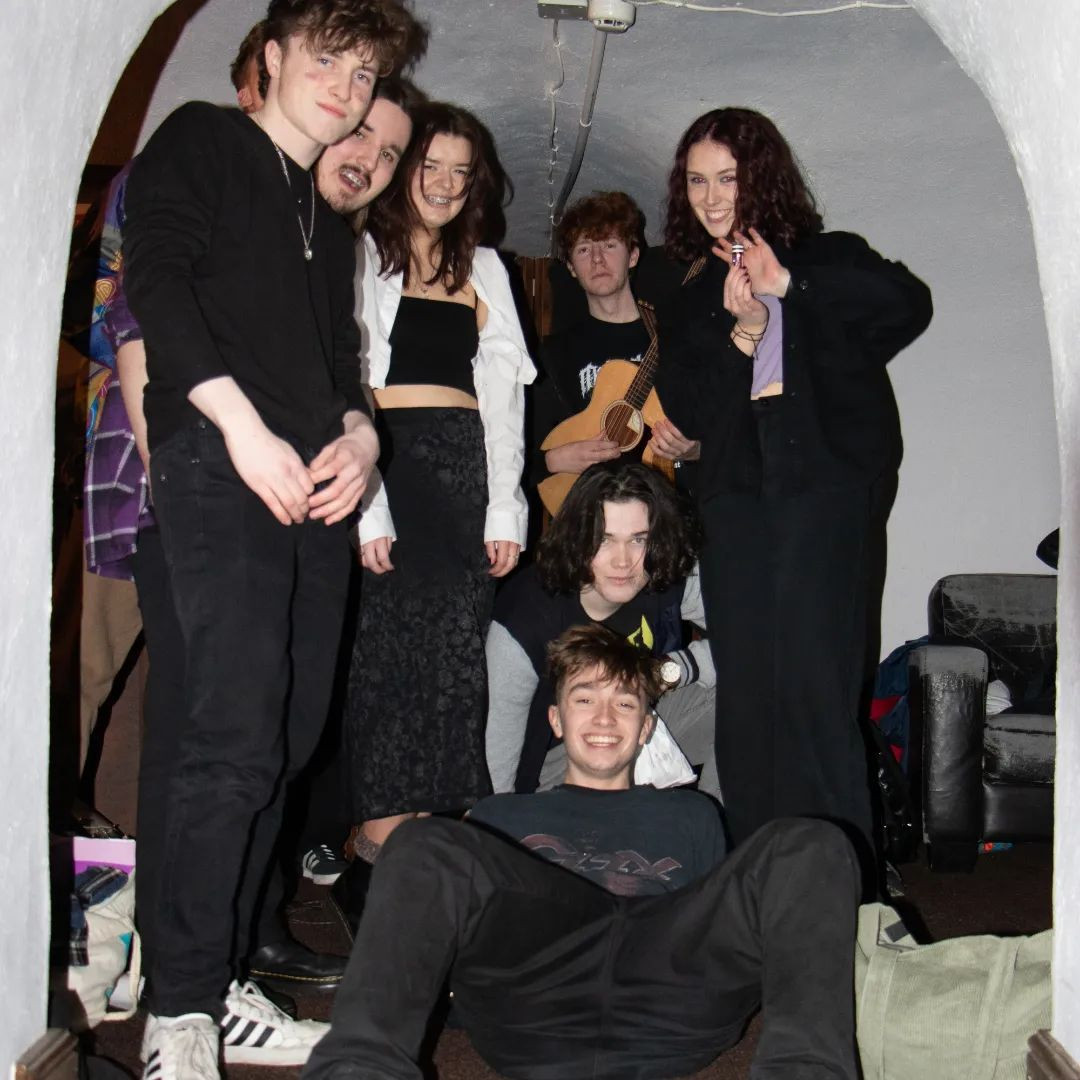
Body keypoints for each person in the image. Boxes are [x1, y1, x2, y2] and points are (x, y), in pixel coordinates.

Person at [122, 2, 423, 1076]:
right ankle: (179, 1009)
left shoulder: (327, 221)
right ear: (275, 56)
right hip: (222, 464)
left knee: (288, 744)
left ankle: (220, 980)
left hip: (313, 491)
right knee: (231, 738)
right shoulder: (203, 139)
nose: (347, 87)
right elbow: (155, 282)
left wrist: (362, 439)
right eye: (329, 60)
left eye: (366, 72)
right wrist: (241, 429)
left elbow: (340, 367)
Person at [303, 624, 860, 1080]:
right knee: (422, 840)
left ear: (646, 728)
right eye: (585, 698)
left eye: (624, 703)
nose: (604, 718)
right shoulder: (502, 816)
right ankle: (359, 1069)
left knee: (810, 843)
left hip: (667, 1001)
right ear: (556, 719)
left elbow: (712, 933)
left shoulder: (691, 814)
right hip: (534, 998)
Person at [654, 107, 932, 878]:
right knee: (749, 703)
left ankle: (844, 888)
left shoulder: (828, 257)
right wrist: (743, 330)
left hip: (826, 495)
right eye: (697, 182)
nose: (712, 198)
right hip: (737, 501)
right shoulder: (690, 292)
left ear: (762, 177)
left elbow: (907, 307)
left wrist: (785, 285)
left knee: (817, 693)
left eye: (728, 178)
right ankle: (756, 884)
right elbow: (688, 407)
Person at [344, 101, 535, 864]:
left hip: (464, 475)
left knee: (454, 665)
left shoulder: (485, 267)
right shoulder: (361, 253)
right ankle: (377, 839)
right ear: (402, 168)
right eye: (432, 166)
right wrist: (368, 507)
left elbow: (506, 404)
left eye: (462, 172)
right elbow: (347, 386)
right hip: (388, 466)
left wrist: (505, 508)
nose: (447, 184)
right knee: (388, 659)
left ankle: (429, 846)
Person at [485, 460, 720, 801]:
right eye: (605, 540)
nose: (622, 562)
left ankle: (717, 827)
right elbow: (496, 766)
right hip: (558, 764)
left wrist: (671, 669)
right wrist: (507, 822)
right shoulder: (526, 618)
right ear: (578, 539)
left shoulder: (664, 569)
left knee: (755, 691)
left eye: (638, 540)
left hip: (641, 723)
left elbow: (751, 640)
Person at [533, 190, 699, 493]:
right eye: (584, 249)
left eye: (609, 245)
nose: (597, 259)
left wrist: (695, 450)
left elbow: (724, 433)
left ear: (633, 256)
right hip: (589, 507)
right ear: (570, 267)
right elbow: (513, 448)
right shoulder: (555, 354)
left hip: (664, 503)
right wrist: (553, 460)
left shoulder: (673, 337)